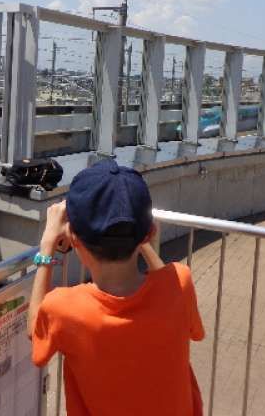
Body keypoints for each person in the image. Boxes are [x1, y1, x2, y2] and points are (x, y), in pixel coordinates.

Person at [27, 160, 205, 415]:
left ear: (73, 237)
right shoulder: (180, 281)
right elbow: (193, 328)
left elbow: (35, 332)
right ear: (149, 233)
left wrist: (47, 244)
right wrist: (134, 230)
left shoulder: (65, 308)